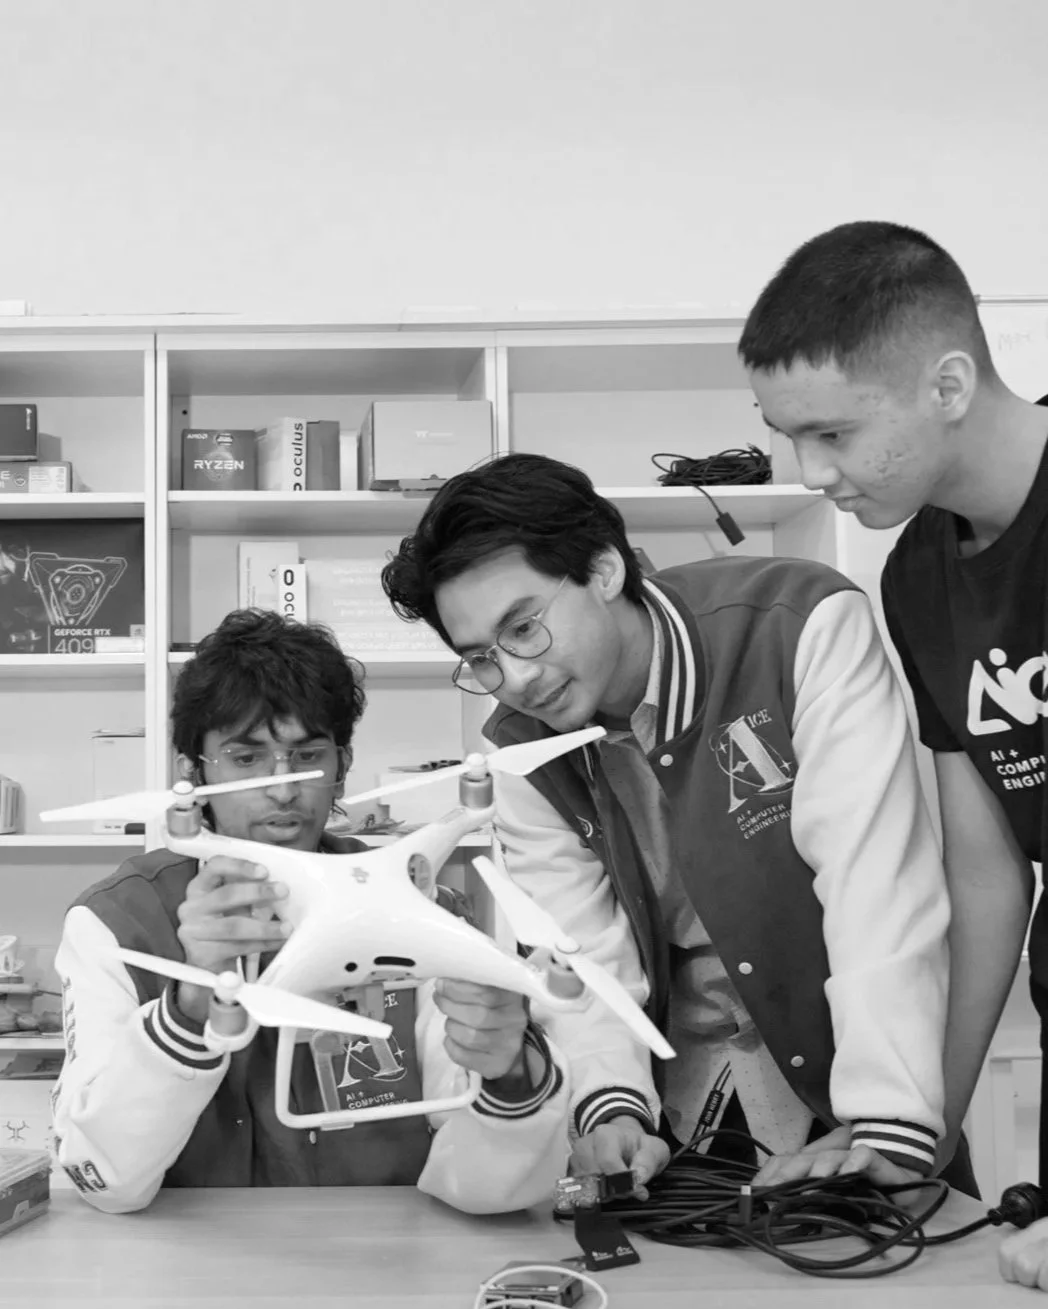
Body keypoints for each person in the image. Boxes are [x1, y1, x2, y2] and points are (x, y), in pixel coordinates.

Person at [380, 450, 972, 1197]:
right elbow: (581, 951)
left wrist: (888, 1119)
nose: (517, 677)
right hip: (681, 1113)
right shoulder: (520, 748)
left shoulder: (797, 625)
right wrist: (611, 1107)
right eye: (483, 658)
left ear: (603, 570)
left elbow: (875, 884)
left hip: (856, 1084)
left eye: (524, 627)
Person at [738, 220, 1048, 1285]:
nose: (811, 471)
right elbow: (985, 875)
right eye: (789, 436)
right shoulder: (918, 578)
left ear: (948, 384)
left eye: (832, 432)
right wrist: (920, 1135)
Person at [51, 609, 573, 1215]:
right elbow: (105, 1182)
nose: (282, 789)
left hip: (388, 1253)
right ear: (192, 773)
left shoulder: (417, 904)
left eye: (306, 756)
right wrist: (188, 1007)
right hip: (189, 1258)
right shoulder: (117, 923)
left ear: (342, 768)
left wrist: (509, 1073)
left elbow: (490, 1193)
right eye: (245, 759)